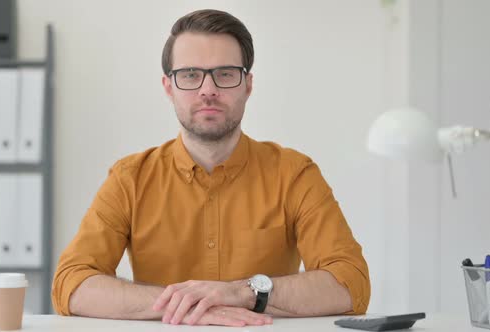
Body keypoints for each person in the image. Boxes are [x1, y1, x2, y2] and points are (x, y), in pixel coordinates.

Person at [52, 9, 370, 327]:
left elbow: (350, 284)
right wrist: (188, 304)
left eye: (226, 73)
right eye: (190, 74)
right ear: (168, 87)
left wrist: (243, 293)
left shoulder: (295, 174)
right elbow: (71, 284)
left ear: (247, 85)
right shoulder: (129, 178)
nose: (208, 90)